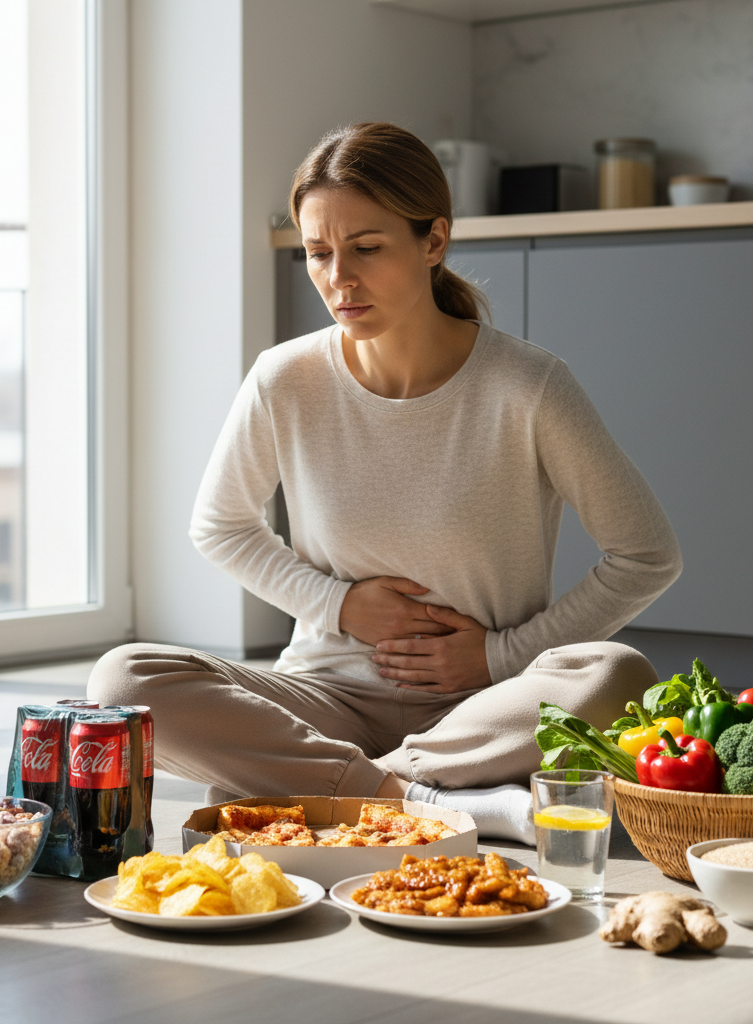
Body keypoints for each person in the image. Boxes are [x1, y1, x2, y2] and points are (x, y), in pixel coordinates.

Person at [88, 122, 682, 844]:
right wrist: (338, 606)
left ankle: (327, 787)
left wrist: (498, 655)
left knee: (616, 673)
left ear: (433, 241)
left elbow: (647, 553)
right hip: (324, 693)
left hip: (484, 707)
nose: (339, 277)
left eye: (366, 248)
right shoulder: (285, 378)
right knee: (124, 682)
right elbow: (221, 525)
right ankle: (421, 799)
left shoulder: (529, 386)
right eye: (317, 252)